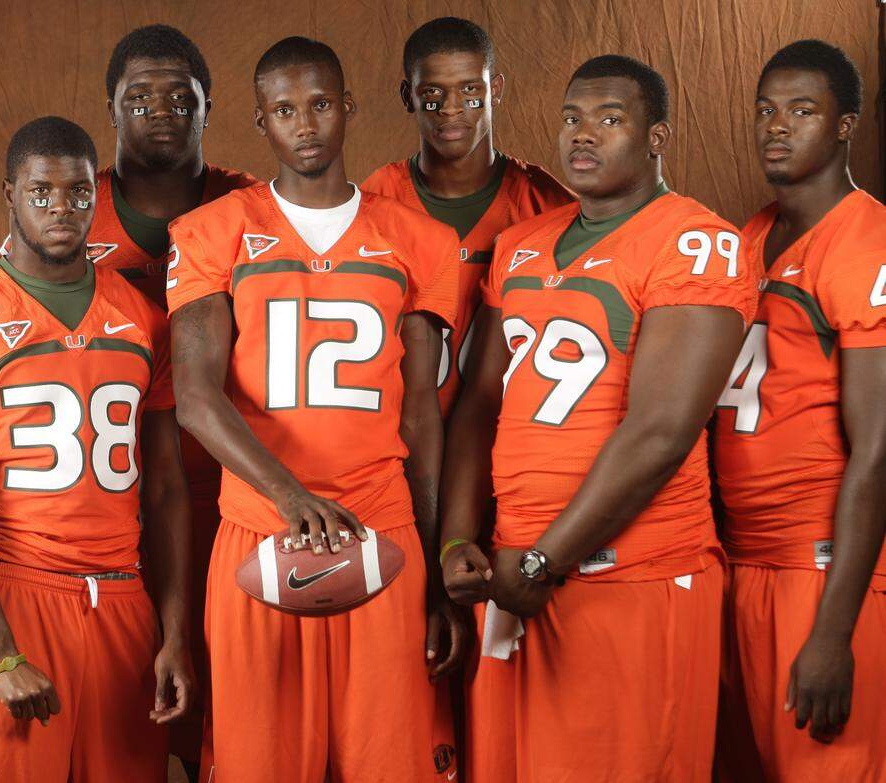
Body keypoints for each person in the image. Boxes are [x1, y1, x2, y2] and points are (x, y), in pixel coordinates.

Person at [440, 55, 757, 781]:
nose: (583, 136)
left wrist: (549, 557)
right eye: (572, 118)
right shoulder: (522, 245)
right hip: (517, 565)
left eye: (610, 120)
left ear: (657, 138)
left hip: (629, 575)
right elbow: (478, 403)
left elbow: (662, 429)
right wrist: (460, 534)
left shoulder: (695, 241)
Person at [167, 37, 462, 782]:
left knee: (391, 761)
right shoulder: (213, 231)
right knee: (254, 763)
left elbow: (423, 416)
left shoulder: (422, 240)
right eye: (285, 109)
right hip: (261, 529)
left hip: (381, 525)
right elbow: (196, 398)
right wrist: (290, 495)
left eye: (321, 104)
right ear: (260, 120)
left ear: (348, 108)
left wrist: (429, 565)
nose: (306, 125)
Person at [0, 116, 193, 782]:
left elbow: (167, 487)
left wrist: (174, 632)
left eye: (77, 193)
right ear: (9, 194)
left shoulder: (142, 317)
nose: (60, 209)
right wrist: (1, 651)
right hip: (13, 592)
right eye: (41, 193)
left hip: (122, 603)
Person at [713, 39, 886, 781]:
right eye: (765, 110)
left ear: (845, 125)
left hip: (819, 567)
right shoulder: (752, 234)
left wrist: (834, 630)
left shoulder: (868, 239)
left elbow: (878, 448)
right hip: (742, 559)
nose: (776, 126)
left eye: (802, 110)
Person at [96, 25, 258, 777]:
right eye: (138, 96)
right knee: (118, 713)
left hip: (233, 491)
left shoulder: (253, 206)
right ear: (110, 110)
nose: (159, 108)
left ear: (206, 105)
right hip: (107, 494)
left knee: (230, 704)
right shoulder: (66, 204)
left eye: (177, 94)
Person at [362, 16, 573, 416]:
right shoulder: (376, 198)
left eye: (470, 90)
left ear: (496, 90)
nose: (452, 108)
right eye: (433, 93)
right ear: (408, 96)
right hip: (399, 441)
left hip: (507, 445)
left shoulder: (549, 206)